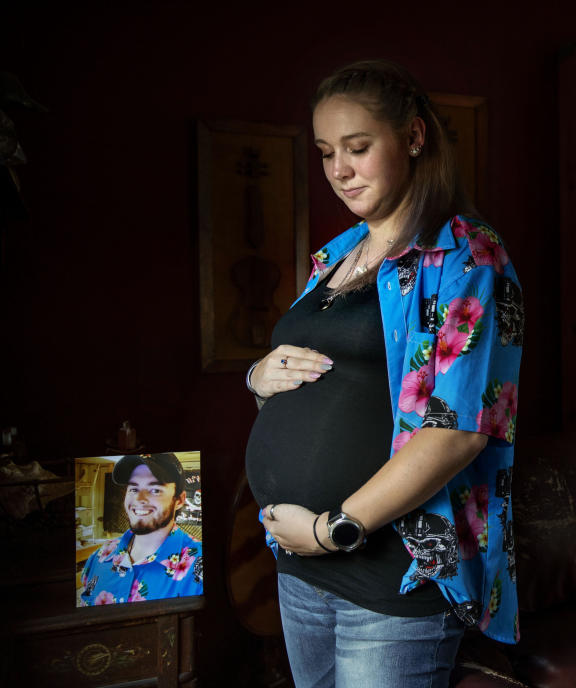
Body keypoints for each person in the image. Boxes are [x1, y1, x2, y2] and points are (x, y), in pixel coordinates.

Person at [243, 59, 523, 688]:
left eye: (358, 148)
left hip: (390, 575)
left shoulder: (466, 254)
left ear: (415, 138)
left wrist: (332, 529)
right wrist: (260, 381)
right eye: (324, 152)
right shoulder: (338, 253)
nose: (338, 171)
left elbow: (459, 429)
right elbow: (331, 385)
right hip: (301, 568)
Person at [79, 453, 203, 605]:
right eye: (133, 489)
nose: (139, 499)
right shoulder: (99, 557)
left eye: (155, 490)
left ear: (179, 500)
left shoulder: (199, 565)